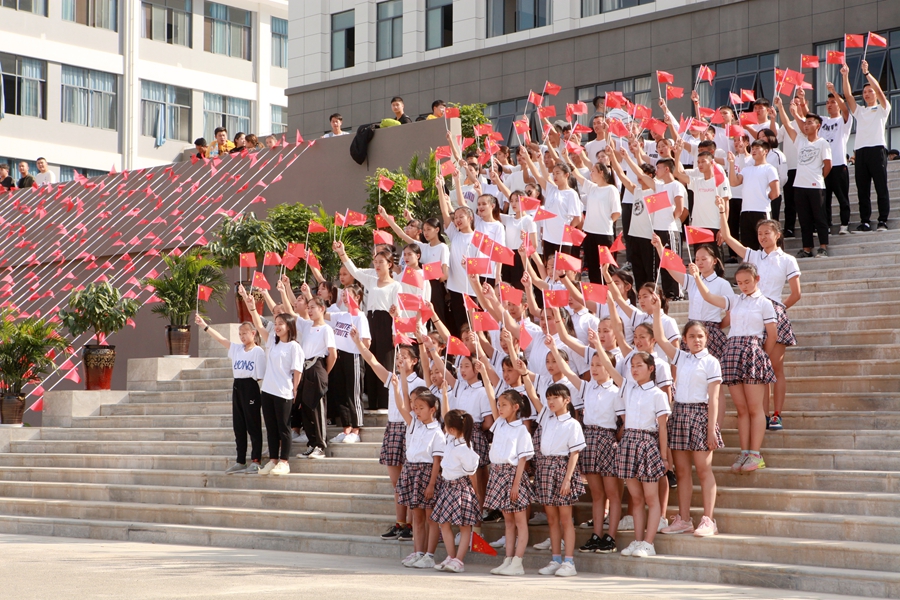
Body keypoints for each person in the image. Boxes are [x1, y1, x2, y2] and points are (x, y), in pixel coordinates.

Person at [691, 261, 777, 473]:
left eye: (747, 281)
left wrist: (760, 355)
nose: (743, 286)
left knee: (755, 408)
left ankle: (755, 454)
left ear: (757, 279)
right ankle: (745, 452)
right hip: (732, 352)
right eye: (739, 283)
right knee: (741, 409)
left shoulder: (765, 303)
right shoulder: (735, 300)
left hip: (752, 352)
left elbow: (772, 335)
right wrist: (696, 277)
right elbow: (709, 297)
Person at [650, 300, 723, 538]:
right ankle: (683, 519)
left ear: (706, 338)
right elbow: (660, 338)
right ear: (684, 339)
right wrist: (657, 311)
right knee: (681, 472)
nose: (696, 340)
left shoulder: (712, 362)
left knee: (703, 470)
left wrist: (711, 429)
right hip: (679, 414)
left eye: (700, 336)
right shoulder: (681, 357)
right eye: (691, 336)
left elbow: (714, 398)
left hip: (701, 416)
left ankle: (709, 520)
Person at [593, 343, 670, 558]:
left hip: (647, 443)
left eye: (639, 365)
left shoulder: (658, 394)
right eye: (632, 366)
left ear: (651, 368)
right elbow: (609, 366)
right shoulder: (628, 387)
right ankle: (637, 540)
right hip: (629, 443)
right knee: (636, 498)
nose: (634, 369)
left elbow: (663, 428)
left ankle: (648, 543)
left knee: (651, 498)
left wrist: (664, 457)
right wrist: (597, 344)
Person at [551, 328, 622, 555]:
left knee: (612, 493)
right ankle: (597, 535)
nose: (594, 368)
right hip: (589, 439)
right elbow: (567, 371)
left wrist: (615, 441)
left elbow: (624, 421)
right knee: (597, 494)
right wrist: (553, 348)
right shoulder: (587, 386)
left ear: (609, 367)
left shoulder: (616, 391)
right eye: (592, 364)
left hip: (607, 439)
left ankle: (610, 537)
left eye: (599, 364)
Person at [352, 328, 425, 543]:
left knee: (409, 480)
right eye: (398, 356)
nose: (400, 359)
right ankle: (400, 523)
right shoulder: (393, 378)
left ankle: (411, 524)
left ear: (414, 361)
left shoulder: (420, 383)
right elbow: (373, 361)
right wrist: (358, 342)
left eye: (405, 357)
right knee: (397, 482)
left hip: (410, 430)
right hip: (393, 428)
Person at [240, 286, 304, 476]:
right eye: (275, 323)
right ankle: (273, 460)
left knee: (284, 429)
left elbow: (298, 371)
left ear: (289, 326)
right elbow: (259, 325)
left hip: (284, 392)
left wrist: (295, 391)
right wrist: (251, 306)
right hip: (267, 391)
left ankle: (284, 462)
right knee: (271, 428)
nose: (276, 327)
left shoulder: (294, 346)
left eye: (280, 324)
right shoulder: (272, 342)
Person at [527, 381, 585, 577]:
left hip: (562, 469)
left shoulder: (573, 424)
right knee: (551, 519)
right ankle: (556, 559)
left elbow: (575, 453)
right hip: (545, 469)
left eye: (555, 398)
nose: (550, 401)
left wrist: (567, 479)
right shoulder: (547, 418)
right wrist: (524, 374)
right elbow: (532, 394)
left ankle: (569, 562)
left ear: (566, 400)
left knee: (565, 519)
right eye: (548, 398)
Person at [334, 240, 400, 411]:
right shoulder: (371, 281)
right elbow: (354, 271)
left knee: (384, 362)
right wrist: (342, 253)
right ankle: (373, 403)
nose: (377, 265)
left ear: (389, 264)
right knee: (370, 359)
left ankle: (384, 404)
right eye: (375, 262)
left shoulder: (396, 285)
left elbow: (397, 311)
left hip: (386, 322)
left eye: (381, 262)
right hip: (370, 320)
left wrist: (395, 332)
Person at [195, 315, 266, 474]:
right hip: (237, 386)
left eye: (245, 333)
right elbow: (221, 339)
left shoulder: (258, 351)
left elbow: (260, 375)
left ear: (253, 333)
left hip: (250, 386)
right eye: (240, 334)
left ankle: (256, 460)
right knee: (238, 426)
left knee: (253, 425)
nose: (242, 337)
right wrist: (204, 325)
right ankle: (240, 461)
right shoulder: (237, 349)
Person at [391, 370, 444, 568]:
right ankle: (418, 552)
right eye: (415, 407)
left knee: (431, 518)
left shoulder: (437, 432)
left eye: (421, 408)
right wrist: (396, 387)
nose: (417, 411)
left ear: (432, 409)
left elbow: (437, 461)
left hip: (427, 473)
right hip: (411, 471)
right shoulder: (414, 425)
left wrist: (431, 484)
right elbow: (401, 406)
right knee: (417, 517)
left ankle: (429, 555)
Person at [482, 378, 534, 576]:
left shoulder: (521, 430)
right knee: (508, 522)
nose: (499, 408)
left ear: (515, 407)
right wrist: (484, 373)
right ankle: (508, 559)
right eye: (499, 405)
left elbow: (522, 459)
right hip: (498, 474)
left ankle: (518, 562)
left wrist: (516, 484)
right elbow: (490, 396)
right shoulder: (500, 425)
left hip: (513, 476)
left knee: (520, 521)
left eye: (503, 405)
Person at [775, 97, 832, 258]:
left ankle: (823, 247)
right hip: (799, 186)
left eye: (810, 123)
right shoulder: (800, 141)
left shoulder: (822, 143)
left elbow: (828, 164)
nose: (806, 125)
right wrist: (781, 107)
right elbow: (787, 125)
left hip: (816, 186)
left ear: (818, 126)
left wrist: (819, 177)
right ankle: (807, 248)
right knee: (804, 219)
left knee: (819, 218)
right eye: (805, 123)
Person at [286, 290, 337, 459]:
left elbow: (333, 354)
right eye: (308, 307)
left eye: (313, 307)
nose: (309, 310)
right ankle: (312, 443)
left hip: (317, 366)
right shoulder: (307, 325)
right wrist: (284, 290)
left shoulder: (326, 329)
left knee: (317, 409)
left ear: (322, 308)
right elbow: (291, 312)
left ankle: (320, 446)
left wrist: (324, 372)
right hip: (305, 368)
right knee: (306, 408)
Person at [842, 60, 891, 231]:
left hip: (877, 150)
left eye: (870, 91)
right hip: (861, 152)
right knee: (862, 189)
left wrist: (867, 73)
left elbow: (880, 91)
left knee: (880, 186)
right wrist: (845, 75)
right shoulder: (860, 111)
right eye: (864, 92)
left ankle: (882, 220)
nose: (867, 94)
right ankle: (865, 221)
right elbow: (848, 96)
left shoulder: (883, 108)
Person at [430, 407, 480, 573]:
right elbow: (447, 412)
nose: (444, 428)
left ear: (451, 429)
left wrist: (476, 491)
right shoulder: (450, 440)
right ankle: (451, 557)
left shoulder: (465, 448)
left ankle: (459, 560)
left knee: (464, 526)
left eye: (446, 426)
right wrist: (445, 395)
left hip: (461, 487)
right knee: (443, 523)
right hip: (447, 487)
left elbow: (471, 473)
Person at [324, 285, 369, 444]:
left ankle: (356, 429)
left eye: (348, 295)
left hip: (353, 356)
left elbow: (367, 343)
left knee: (353, 393)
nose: (344, 298)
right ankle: (346, 429)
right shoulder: (341, 315)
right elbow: (322, 313)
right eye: (343, 295)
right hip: (339, 356)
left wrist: (357, 341)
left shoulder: (360, 317)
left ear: (357, 297)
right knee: (340, 394)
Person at [570, 160, 621, 283]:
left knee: (606, 268)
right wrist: (567, 158)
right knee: (592, 267)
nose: (591, 173)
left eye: (593, 171)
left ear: (601, 172)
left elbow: (616, 212)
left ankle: (609, 291)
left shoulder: (611, 189)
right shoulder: (592, 188)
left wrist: (606, 222)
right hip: (589, 233)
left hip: (604, 234)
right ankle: (595, 292)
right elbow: (577, 175)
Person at [726, 141, 780, 251]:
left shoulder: (769, 168)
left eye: (757, 148)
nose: (753, 151)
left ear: (765, 151)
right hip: (745, 212)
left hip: (761, 211)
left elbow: (775, 192)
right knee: (748, 247)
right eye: (753, 148)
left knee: (764, 245)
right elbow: (733, 182)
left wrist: (763, 199)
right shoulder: (746, 169)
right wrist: (731, 163)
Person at [820, 82, 853, 235]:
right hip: (824, 165)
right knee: (824, 198)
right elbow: (807, 116)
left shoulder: (843, 121)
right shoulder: (823, 121)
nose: (829, 105)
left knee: (842, 197)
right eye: (827, 102)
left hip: (839, 165)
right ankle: (826, 224)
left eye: (833, 102)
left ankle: (844, 224)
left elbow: (845, 110)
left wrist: (834, 91)